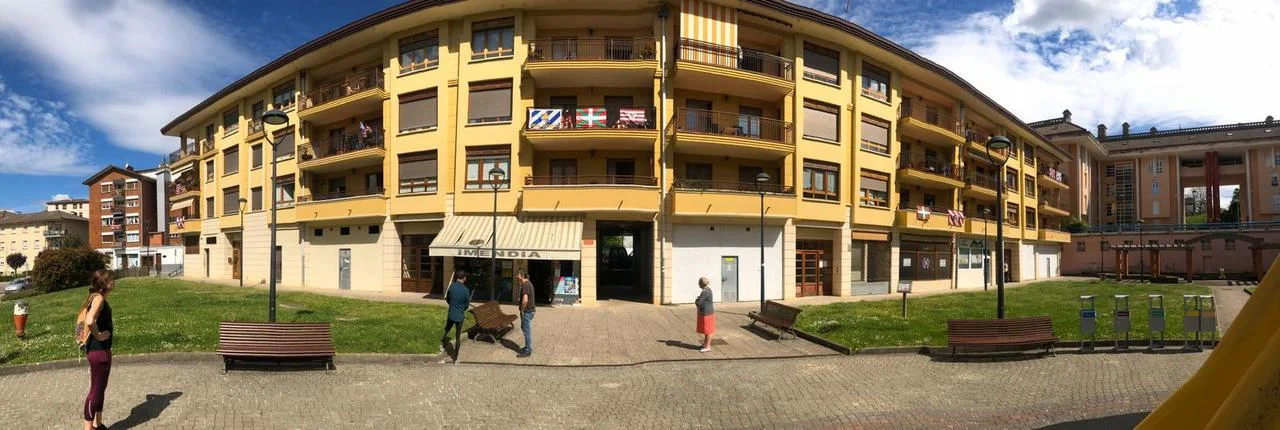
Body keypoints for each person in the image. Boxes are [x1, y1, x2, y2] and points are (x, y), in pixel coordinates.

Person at [83, 270, 115, 430]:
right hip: (98, 351)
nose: (114, 281)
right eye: (111, 279)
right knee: (95, 391)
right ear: (104, 284)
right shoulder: (99, 298)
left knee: (100, 388)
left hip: (101, 351)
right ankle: (88, 427)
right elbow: (89, 320)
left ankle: (98, 424)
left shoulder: (96, 297)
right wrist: (99, 336)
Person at [441, 270, 470, 363]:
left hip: (451, 314)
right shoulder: (466, 290)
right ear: (464, 278)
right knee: (458, 337)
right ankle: (456, 357)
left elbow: (448, 299)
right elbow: (467, 305)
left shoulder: (452, 286)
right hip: (460, 316)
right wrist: (461, 309)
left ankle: (443, 344)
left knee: (447, 329)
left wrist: (452, 305)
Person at [516, 270, 535, 358]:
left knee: (526, 331)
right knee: (524, 328)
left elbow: (525, 300)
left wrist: (522, 310)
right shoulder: (527, 284)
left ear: (522, 276)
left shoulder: (525, 285)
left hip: (527, 312)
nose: (516, 276)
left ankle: (528, 350)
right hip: (529, 311)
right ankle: (527, 347)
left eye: (518, 275)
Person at [694, 277, 715, 353]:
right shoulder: (709, 289)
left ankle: (708, 346)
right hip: (708, 312)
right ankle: (705, 344)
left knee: (708, 330)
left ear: (701, 284)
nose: (698, 284)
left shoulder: (704, 292)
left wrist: (696, 300)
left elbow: (699, 303)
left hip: (706, 313)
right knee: (706, 330)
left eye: (699, 282)